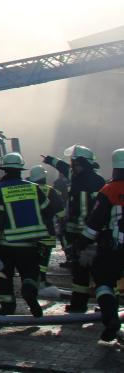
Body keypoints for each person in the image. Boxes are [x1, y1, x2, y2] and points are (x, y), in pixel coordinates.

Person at [0, 153, 49, 317]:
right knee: (30, 273)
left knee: (5, 276)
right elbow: (47, 209)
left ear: (4, 170)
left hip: (6, 244)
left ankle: (7, 307)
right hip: (30, 244)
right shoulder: (34, 188)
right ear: (21, 169)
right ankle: (29, 292)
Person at [44, 145, 106, 312]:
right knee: (81, 272)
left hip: (86, 234)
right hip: (88, 234)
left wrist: (80, 239)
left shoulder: (87, 182)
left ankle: (99, 305)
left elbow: (87, 213)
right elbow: (64, 168)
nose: (72, 167)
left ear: (83, 164)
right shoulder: (83, 177)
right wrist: (51, 160)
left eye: (75, 163)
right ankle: (87, 305)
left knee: (94, 272)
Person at [80, 148, 124, 343]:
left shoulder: (109, 190)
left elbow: (95, 222)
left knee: (103, 281)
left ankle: (111, 319)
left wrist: (82, 243)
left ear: (115, 169)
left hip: (114, 248)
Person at [26, 165, 65, 290]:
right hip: (47, 230)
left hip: (29, 231)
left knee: (31, 257)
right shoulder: (50, 191)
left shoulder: (27, 189)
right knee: (44, 257)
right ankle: (41, 279)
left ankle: (31, 279)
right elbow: (61, 212)